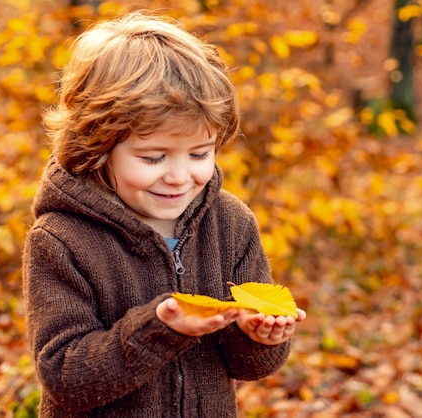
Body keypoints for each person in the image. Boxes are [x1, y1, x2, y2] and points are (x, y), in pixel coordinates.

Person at [22, 10, 306, 417]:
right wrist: (160, 329)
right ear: (97, 147)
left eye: (199, 154)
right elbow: (64, 376)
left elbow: (250, 367)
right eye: (154, 158)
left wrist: (260, 337)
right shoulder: (62, 240)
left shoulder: (230, 224)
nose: (179, 177)